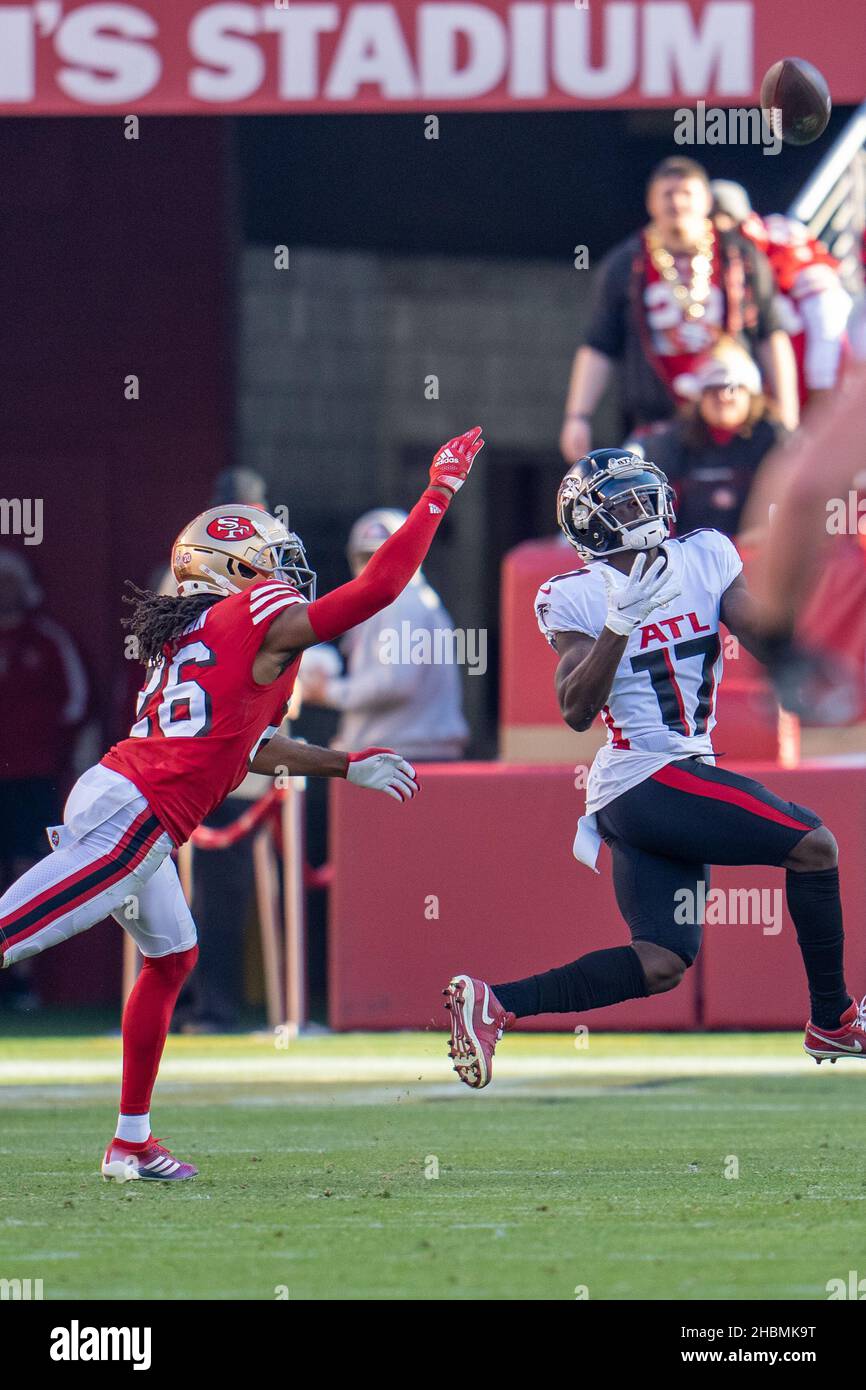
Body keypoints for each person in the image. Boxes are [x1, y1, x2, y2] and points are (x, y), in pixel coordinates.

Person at [0, 425, 484, 1179]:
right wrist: (438, 493)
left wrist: (344, 765)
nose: (286, 570)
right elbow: (379, 590)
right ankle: (128, 1142)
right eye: (270, 557)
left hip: (131, 801)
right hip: (135, 814)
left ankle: (130, 1141)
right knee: (12, 933)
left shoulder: (200, 627)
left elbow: (246, 748)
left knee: (172, 957)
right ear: (234, 568)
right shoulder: (250, 614)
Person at [444, 447, 860, 1088]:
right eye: (625, 502)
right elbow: (576, 709)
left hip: (671, 777)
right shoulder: (575, 594)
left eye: (646, 494)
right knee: (814, 845)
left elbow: (757, 632)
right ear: (592, 523)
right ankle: (833, 1017)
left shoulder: (704, 555)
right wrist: (620, 623)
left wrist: (800, 650)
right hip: (644, 774)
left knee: (662, 960)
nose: (644, 508)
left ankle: (495, 1003)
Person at [560, 157, 799, 464]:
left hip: (732, 425)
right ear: (651, 203)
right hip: (658, 424)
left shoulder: (741, 257)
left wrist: (787, 417)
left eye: (686, 193)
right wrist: (577, 416)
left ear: (706, 201)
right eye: (667, 194)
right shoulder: (625, 263)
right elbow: (598, 346)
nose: (677, 202)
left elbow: (770, 335)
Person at [301, 508, 469, 761]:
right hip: (402, 750)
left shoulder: (402, 602)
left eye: (385, 555)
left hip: (405, 753)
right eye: (367, 557)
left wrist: (330, 691)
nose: (375, 566)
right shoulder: (400, 601)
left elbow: (397, 682)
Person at [0, 549, 90, 1009]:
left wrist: (56, 752)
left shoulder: (47, 639)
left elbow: (76, 702)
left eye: (11, 580)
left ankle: (22, 980)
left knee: (28, 868)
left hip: (33, 775)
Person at [711, 180, 852, 413]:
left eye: (721, 216)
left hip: (814, 344)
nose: (716, 227)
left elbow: (826, 308)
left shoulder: (773, 240)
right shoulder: (711, 258)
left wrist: (822, 383)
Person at [625, 338, 788, 537]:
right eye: (713, 389)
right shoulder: (672, 442)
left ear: (750, 392)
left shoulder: (775, 440)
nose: (723, 397)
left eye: (733, 388)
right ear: (699, 395)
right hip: (688, 559)